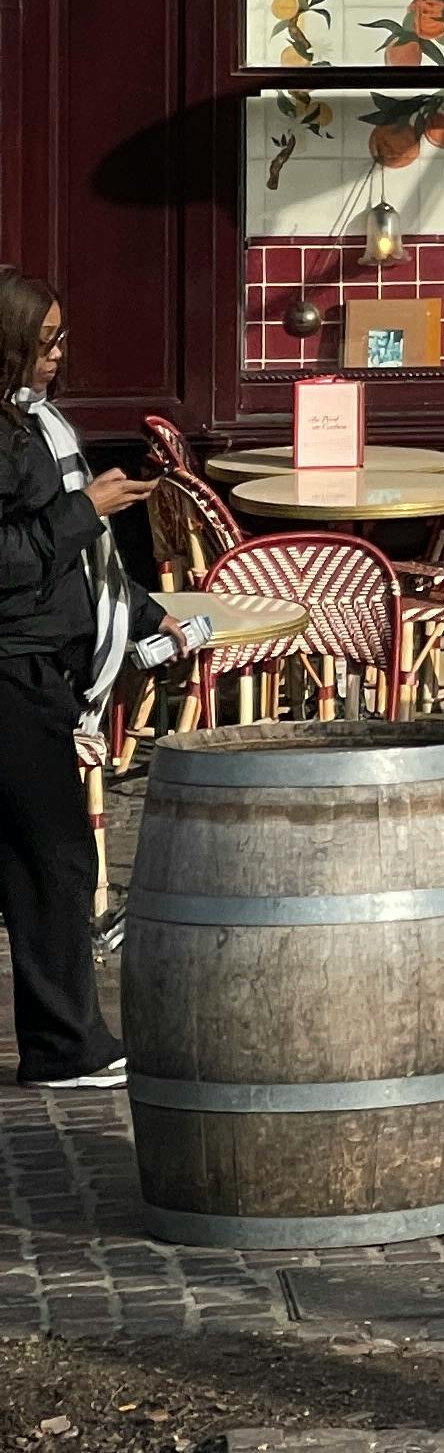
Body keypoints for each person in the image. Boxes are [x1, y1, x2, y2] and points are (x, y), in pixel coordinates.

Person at [0, 269, 147, 1087]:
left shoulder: (31, 424)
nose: (60, 356)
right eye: (46, 341)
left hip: (37, 665)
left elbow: (72, 562)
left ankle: (63, 1041)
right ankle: (63, 1046)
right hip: (11, 669)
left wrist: (152, 623)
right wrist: (84, 507)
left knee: (40, 859)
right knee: (53, 859)